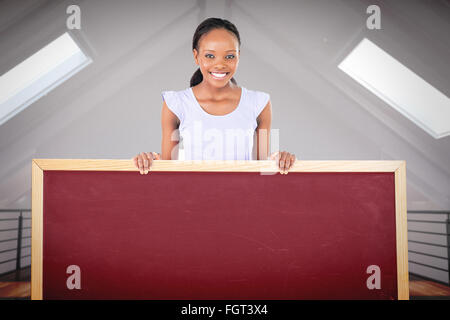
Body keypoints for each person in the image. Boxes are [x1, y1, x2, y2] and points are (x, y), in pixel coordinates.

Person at [133, 17, 296, 174]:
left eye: (230, 56)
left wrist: (280, 161)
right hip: (192, 199)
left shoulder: (259, 103)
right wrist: (149, 161)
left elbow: (262, 169)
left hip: (241, 198)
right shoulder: (176, 104)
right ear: (196, 56)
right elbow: (168, 168)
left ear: (239, 56)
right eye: (210, 56)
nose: (220, 64)